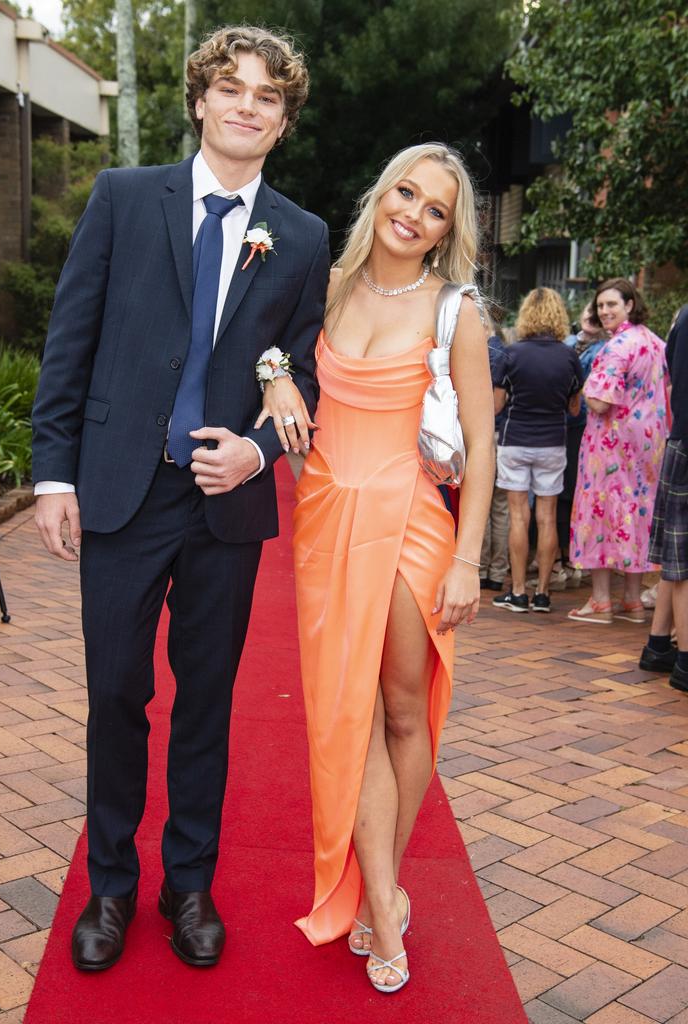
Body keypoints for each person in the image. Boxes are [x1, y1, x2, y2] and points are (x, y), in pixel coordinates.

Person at [30, 26, 329, 971]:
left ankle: (188, 885)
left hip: (224, 506)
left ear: (283, 123)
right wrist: (54, 472)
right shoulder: (123, 198)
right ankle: (109, 890)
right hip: (120, 491)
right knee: (116, 694)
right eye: (231, 88)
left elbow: (303, 374)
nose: (247, 105)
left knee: (206, 702)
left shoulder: (304, 237)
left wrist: (255, 450)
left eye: (267, 97)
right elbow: (70, 336)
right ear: (198, 100)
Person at [258, 143, 493, 993]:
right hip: (323, 517)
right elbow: (267, 348)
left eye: (436, 210)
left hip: (407, 524)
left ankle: (381, 901)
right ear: (381, 193)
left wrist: (468, 560)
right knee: (343, 716)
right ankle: (382, 896)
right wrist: (275, 375)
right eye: (407, 192)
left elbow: (483, 445)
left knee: (397, 712)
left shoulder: (453, 310)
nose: (415, 214)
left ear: (444, 232)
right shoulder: (325, 286)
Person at [568, 278, 668, 624]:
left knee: (599, 512)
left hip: (611, 445)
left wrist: (583, 383)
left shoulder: (617, 346)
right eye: (600, 306)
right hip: (648, 444)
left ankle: (599, 602)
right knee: (636, 514)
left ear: (629, 304)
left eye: (611, 304)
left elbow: (598, 402)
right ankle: (632, 601)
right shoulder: (655, 342)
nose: (604, 311)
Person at [491, 288, 583, 614]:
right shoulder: (569, 356)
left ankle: (517, 592)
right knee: (546, 518)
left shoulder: (511, 354)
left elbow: (497, 404)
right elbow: (574, 409)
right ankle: (542, 593)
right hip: (552, 442)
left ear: (527, 314)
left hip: (515, 439)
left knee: (518, 516)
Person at [640, 305, 688, 690]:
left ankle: (659, 646)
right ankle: (685, 662)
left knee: (677, 552)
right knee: (683, 560)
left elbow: (671, 377)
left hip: (680, 439)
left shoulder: (682, 315)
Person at [558, 303, 609, 573]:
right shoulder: (566, 342)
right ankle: (561, 557)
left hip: (581, 425)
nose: (591, 316)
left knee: (570, 490)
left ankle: (572, 559)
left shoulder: (603, 350)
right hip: (557, 424)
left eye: (596, 314)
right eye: (590, 310)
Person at [480, 322, 510, 591]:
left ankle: (481, 567)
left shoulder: (489, 353)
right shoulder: (503, 352)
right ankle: (497, 571)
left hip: (489, 435)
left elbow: (496, 403)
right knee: (500, 508)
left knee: (482, 503)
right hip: (503, 435)